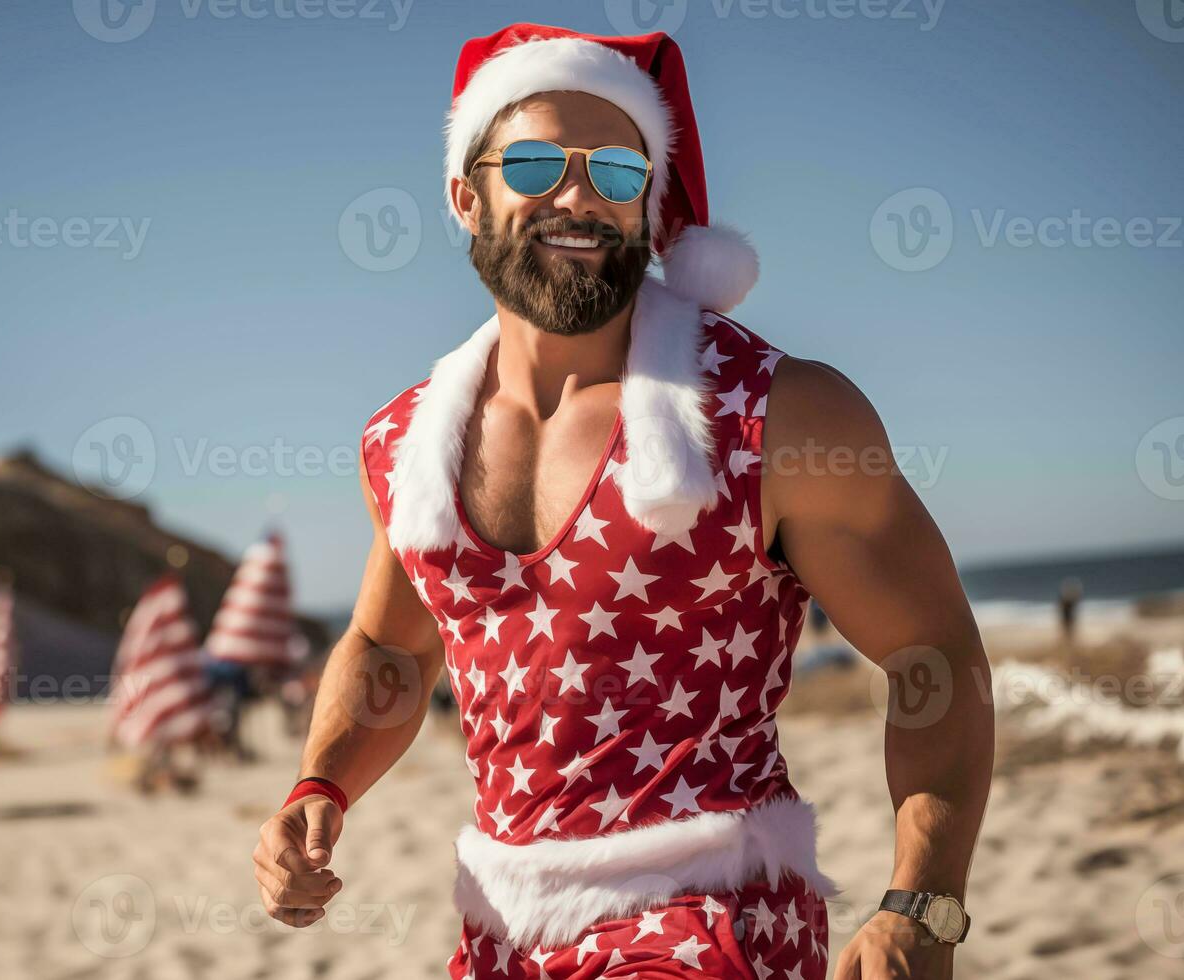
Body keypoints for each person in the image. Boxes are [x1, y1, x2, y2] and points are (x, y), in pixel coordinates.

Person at [254, 24, 993, 979]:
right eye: (532, 163)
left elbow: (932, 650)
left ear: (650, 206)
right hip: (504, 929)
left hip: (716, 919)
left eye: (615, 169)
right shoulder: (403, 446)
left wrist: (921, 907)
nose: (578, 194)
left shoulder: (777, 414)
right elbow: (394, 646)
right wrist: (321, 784)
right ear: (464, 197)